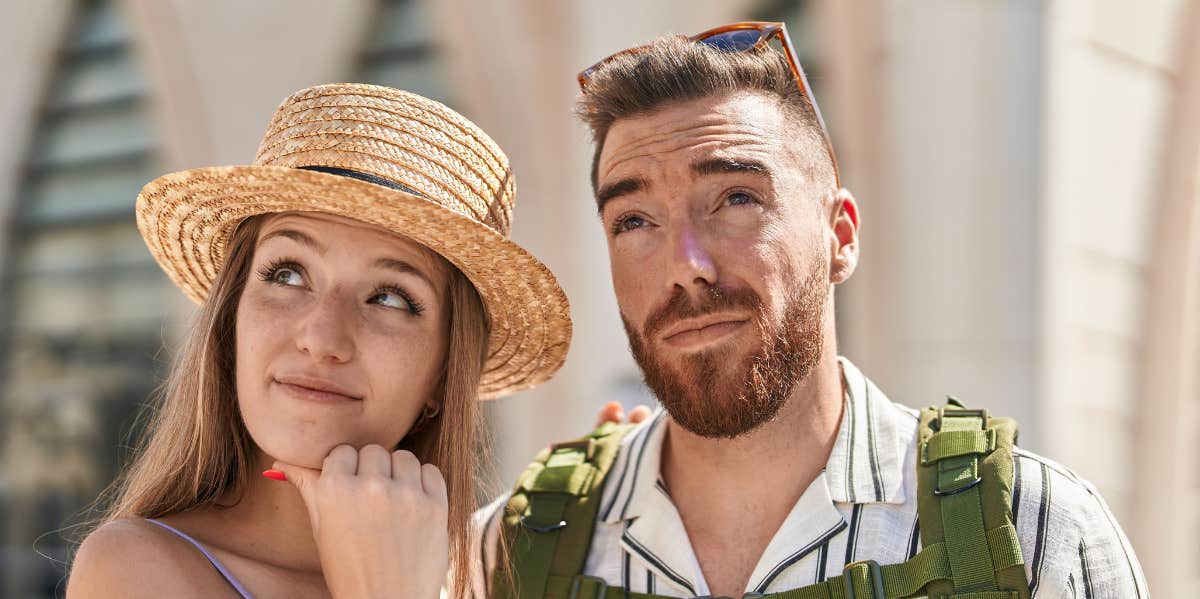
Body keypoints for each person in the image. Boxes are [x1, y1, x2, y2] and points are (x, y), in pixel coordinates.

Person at [475, 23, 1148, 598]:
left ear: (841, 236)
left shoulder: (1040, 533)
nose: (686, 265)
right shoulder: (503, 556)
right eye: (634, 220)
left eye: (736, 199)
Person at [66, 83, 571, 598]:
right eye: (287, 275)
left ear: (443, 374)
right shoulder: (137, 571)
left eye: (390, 298)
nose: (322, 337)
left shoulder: (480, 583)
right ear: (231, 318)